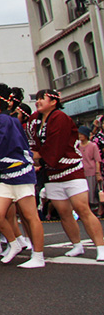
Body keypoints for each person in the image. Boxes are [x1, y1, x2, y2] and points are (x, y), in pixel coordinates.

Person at [25, 89, 104, 261]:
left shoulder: (60, 118)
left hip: (71, 169)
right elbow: (32, 143)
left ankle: (101, 246)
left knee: (82, 209)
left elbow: (55, 145)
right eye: (36, 98)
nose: (38, 101)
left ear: (53, 102)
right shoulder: (34, 120)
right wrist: (35, 156)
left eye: (41, 98)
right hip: (52, 173)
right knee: (64, 211)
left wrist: (37, 157)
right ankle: (76, 245)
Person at [0, 84, 45, 268]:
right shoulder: (1, 120)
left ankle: (38, 256)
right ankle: (14, 243)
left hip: (19, 173)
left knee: (30, 216)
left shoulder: (5, 120)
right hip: (5, 175)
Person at [78, 126, 102, 216]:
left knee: (92, 192)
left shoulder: (93, 145)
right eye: (79, 134)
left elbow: (97, 160)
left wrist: (97, 173)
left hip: (91, 171)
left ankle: (94, 209)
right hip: (81, 172)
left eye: (82, 134)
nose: (80, 136)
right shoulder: (77, 146)